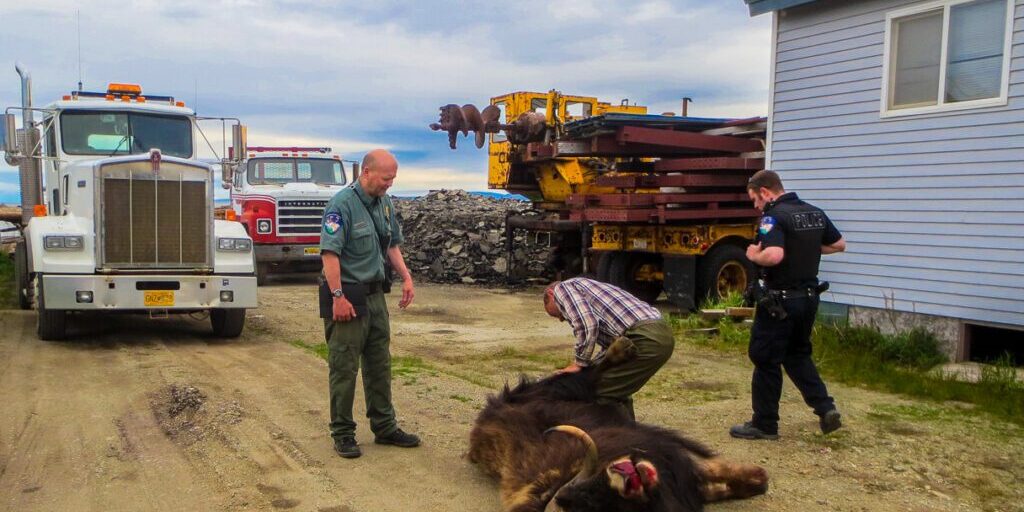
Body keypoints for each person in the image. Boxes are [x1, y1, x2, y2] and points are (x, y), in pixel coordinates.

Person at [730, 170, 846, 441]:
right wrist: (803, 248)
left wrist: (754, 254)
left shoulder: (773, 217)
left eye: (755, 199)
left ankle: (764, 424)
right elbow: (838, 244)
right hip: (808, 298)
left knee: (765, 357)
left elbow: (773, 254)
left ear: (766, 192)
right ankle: (825, 408)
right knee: (797, 354)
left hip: (779, 302)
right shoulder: (813, 213)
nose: (756, 206)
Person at [319, 149, 419, 459]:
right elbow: (329, 255)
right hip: (348, 295)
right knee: (344, 366)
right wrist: (337, 297)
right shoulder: (341, 206)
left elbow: (392, 245)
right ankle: (343, 432)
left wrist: (406, 277)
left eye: (393, 178)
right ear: (366, 172)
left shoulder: (384, 203)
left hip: (376, 296)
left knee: (379, 364)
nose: (390, 184)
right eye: (386, 178)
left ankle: (385, 427)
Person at [543, 277, 675, 420]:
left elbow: (587, 324)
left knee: (600, 392)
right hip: (656, 333)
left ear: (550, 294)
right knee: (615, 386)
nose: (561, 319)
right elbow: (609, 348)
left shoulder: (563, 289)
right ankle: (630, 436)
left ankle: (620, 438)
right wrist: (590, 368)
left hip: (644, 336)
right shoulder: (589, 290)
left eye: (557, 314)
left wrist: (579, 364)